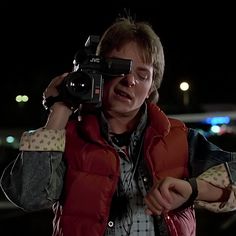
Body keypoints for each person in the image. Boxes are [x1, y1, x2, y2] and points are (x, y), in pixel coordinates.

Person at [1, 16, 236, 236]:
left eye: (142, 75)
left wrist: (193, 190)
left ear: (152, 89)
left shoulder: (180, 139)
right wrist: (61, 107)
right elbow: (29, 196)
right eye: (120, 68)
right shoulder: (67, 138)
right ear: (99, 72)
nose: (130, 80)